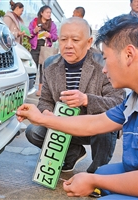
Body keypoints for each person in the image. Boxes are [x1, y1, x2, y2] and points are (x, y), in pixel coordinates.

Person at [16, 14, 138, 199]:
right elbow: (96, 122)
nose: (105, 68)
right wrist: (41, 118)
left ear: (129, 55)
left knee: (102, 187)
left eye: (106, 58)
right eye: (64, 39)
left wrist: (93, 181)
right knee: (102, 173)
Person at [25, 17, 124, 174]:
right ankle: (72, 154)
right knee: (33, 131)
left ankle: (98, 169)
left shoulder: (103, 65)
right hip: (64, 125)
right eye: (64, 39)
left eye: (75, 40)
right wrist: (46, 113)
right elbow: (45, 101)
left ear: (89, 42)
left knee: (107, 125)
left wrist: (86, 100)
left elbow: (118, 103)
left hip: (94, 127)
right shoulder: (51, 65)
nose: (68, 45)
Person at [28, 5, 58, 96]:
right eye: (47, 12)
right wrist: (35, 30)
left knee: (43, 69)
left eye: (50, 13)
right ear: (41, 13)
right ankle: (30, 87)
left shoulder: (52, 24)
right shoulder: (34, 21)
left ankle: (40, 90)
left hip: (46, 48)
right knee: (33, 67)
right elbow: (29, 33)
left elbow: (55, 37)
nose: (49, 14)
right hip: (35, 47)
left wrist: (50, 36)